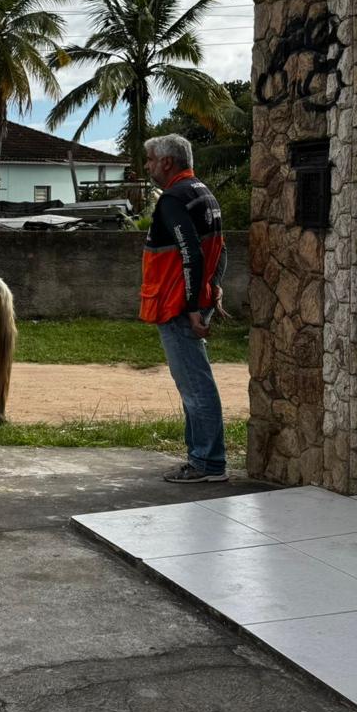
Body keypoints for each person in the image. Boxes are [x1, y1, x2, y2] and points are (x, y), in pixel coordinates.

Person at [139, 133, 229, 483]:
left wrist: (192, 304)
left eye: (149, 159)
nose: (147, 166)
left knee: (195, 385)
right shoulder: (203, 194)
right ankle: (201, 459)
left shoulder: (174, 199)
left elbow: (191, 252)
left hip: (177, 305)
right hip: (190, 299)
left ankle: (208, 464)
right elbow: (221, 246)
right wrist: (214, 286)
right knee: (195, 382)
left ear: (166, 161)